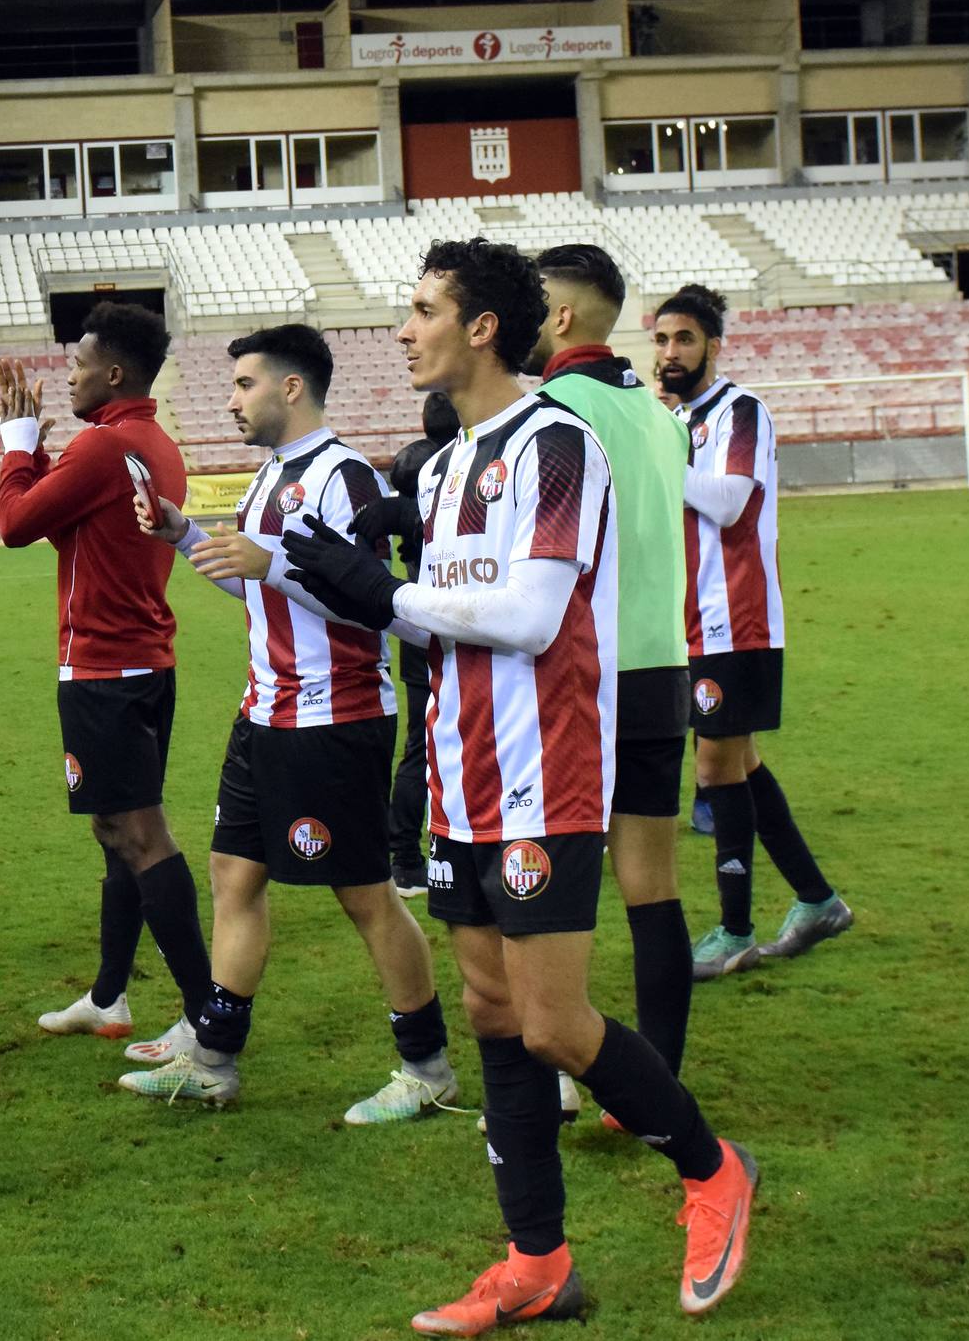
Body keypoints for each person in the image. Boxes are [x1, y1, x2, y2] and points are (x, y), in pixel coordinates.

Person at [280, 238, 756, 1325]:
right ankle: (536, 1262)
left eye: (420, 310)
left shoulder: (555, 444)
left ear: (481, 326)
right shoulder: (441, 464)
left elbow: (533, 619)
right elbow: (449, 616)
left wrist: (385, 596)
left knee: (551, 1024)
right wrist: (348, 579)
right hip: (460, 772)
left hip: (546, 773)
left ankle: (712, 1172)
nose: (403, 331)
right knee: (492, 1010)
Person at [122, 324, 459, 1122]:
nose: (231, 399)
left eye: (243, 384)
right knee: (233, 875)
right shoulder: (270, 475)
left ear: (291, 387)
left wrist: (269, 564)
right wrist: (184, 535)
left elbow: (372, 605)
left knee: (365, 895)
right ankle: (213, 1054)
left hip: (332, 716)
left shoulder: (340, 477)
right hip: (265, 709)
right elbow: (261, 591)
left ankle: (426, 1064)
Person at [0, 303, 213, 1060]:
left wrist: (18, 447)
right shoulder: (152, 444)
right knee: (117, 831)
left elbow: (16, 524)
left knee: (138, 834)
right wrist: (42, 466)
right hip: (145, 660)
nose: (69, 374)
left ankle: (204, 1017)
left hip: (103, 668)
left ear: (113, 373)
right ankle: (110, 996)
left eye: (79, 363)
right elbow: (66, 523)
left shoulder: (101, 446)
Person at [528, 245, 698, 1110]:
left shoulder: (551, 409)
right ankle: (655, 1072)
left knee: (555, 883)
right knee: (652, 884)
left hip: (582, 679)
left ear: (559, 317)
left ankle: (576, 1065)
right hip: (661, 669)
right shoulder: (660, 415)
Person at [652, 284, 853, 980]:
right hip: (691, 621)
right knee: (738, 765)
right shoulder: (676, 420)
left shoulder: (740, 411)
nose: (669, 352)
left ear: (712, 344)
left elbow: (731, 502)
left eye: (682, 339)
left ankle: (735, 929)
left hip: (733, 618)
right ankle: (816, 900)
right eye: (660, 340)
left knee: (714, 769)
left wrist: (656, 464)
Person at [366, 392, 460, 899]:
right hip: (454, 619)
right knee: (443, 743)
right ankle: (414, 853)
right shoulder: (462, 466)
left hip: (416, 620)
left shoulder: (411, 467)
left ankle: (405, 856)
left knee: (421, 746)